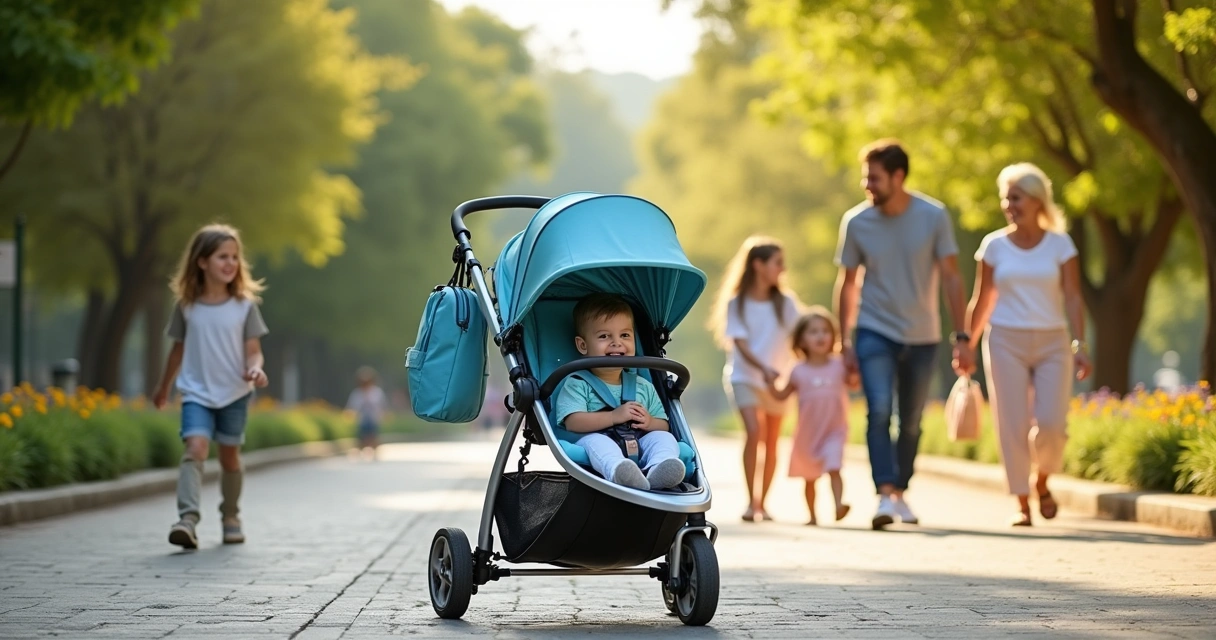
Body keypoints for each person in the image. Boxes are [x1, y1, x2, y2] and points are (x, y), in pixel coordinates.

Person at [834, 139, 972, 530]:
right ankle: (885, 492)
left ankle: (900, 491)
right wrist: (844, 342)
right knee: (879, 409)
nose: (868, 185)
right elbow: (847, 284)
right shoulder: (857, 221)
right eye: (865, 177)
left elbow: (951, 276)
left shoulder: (933, 216)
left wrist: (961, 336)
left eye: (874, 178)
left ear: (898, 176)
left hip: (923, 334)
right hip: (874, 329)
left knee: (910, 419)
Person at [964, 162, 1091, 526]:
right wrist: (967, 344)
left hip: (1053, 340)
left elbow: (1072, 297)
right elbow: (983, 299)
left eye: (1016, 198)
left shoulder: (1060, 244)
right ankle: (1022, 502)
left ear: (1037, 201)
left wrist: (1079, 344)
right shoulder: (994, 245)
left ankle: (1042, 480)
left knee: (1052, 423)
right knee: (1012, 422)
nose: (1009, 205)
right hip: (1005, 339)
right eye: (1006, 198)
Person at [153, 224, 269, 549]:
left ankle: (230, 516)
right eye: (222, 257)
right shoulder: (187, 307)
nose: (230, 263)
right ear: (202, 262)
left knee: (230, 458)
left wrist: (255, 370)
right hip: (196, 393)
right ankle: (187, 519)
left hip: (234, 393)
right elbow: (177, 351)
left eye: (234, 257)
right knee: (196, 449)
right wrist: (163, 387)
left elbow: (254, 350)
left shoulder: (244, 307)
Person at [555, 293, 686, 491]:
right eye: (604, 336)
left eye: (625, 335)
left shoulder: (643, 386)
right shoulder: (577, 383)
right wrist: (614, 416)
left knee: (664, 438)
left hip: (639, 441)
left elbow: (664, 425)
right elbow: (573, 422)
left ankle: (660, 467)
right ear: (583, 345)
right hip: (597, 440)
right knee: (598, 443)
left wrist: (650, 422)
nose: (616, 343)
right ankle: (619, 471)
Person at [710, 236, 799, 522]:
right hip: (745, 377)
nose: (782, 270)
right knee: (754, 432)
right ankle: (751, 502)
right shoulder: (738, 303)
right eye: (778, 263)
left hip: (778, 382)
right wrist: (764, 368)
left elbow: (803, 333)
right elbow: (741, 344)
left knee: (772, 441)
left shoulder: (785, 303)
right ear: (759, 265)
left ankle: (764, 503)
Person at [767, 307, 855, 526]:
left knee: (834, 466)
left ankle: (838, 505)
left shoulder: (839, 365)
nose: (820, 336)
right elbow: (781, 394)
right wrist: (769, 382)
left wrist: (856, 370)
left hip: (834, 430)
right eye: (813, 331)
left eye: (825, 331)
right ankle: (812, 515)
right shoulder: (798, 370)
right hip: (808, 433)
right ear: (802, 340)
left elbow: (855, 384)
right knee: (810, 477)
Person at [346, 366, 388, 459]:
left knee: (374, 435)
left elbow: (382, 405)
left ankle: (375, 452)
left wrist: (383, 414)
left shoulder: (377, 392)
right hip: (362, 418)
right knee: (362, 436)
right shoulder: (357, 393)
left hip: (373, 418)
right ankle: (360, 451)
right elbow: (353, 406)